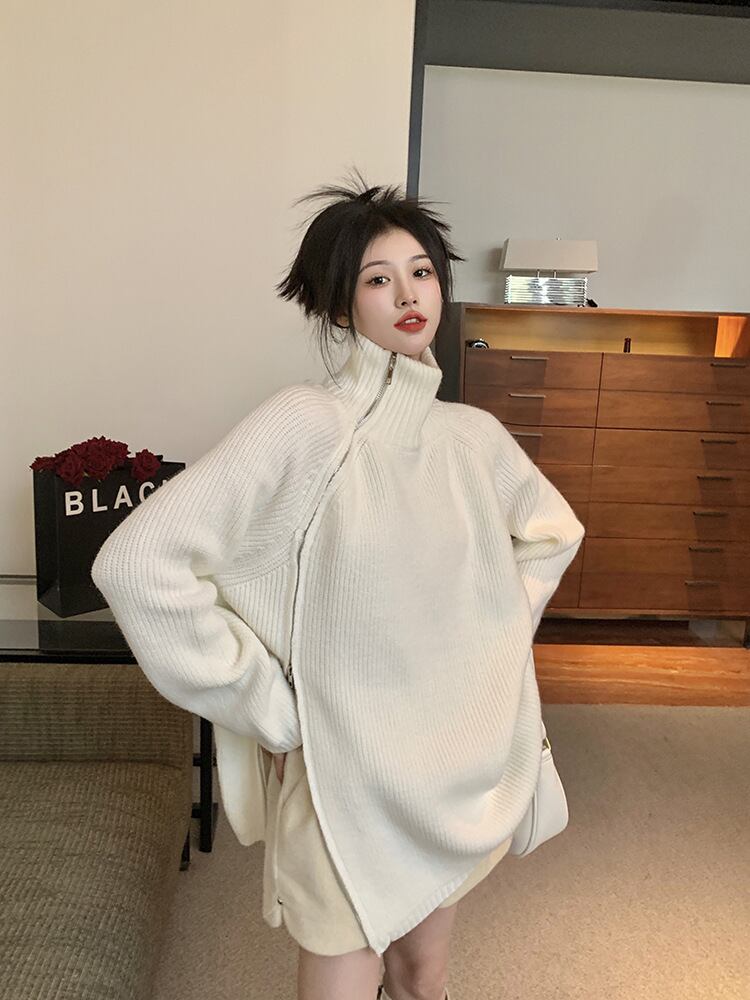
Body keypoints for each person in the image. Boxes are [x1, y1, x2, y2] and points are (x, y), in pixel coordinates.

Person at [91, 167, 585, 1000]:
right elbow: (138, 563)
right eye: (378, 279)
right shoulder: (306, 424)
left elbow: (551, 535)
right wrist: (267, 704)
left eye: (421, 271)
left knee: (424, 978)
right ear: (339, 305)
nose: (409, 294)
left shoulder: (472, 436)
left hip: (450, 766)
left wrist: (490, 645)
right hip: (342, 780)